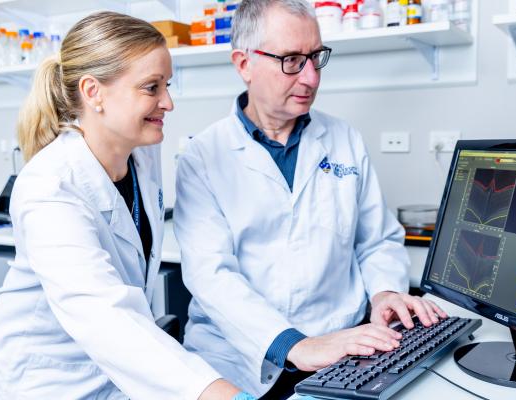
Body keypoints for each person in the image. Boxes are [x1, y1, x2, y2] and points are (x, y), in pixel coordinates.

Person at [174, 0, 447, 398]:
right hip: (237, 359)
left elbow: (376, 240)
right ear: (244, 63)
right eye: (291, 60)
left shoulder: (344, 140)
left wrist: (385, 291)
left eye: (316, 57)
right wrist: (293, 344)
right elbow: (211, 277)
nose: (311, 77)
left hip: (343, 347)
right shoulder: (203, 156)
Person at [0, 11, 248, 400]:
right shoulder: (50, 187)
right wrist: (219, 394)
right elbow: (101, 313)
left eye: (167, 85)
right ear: (93, 92)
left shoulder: (142, 156)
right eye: (151, 87)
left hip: (115, 369)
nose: (168, 102)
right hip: (48, 378)